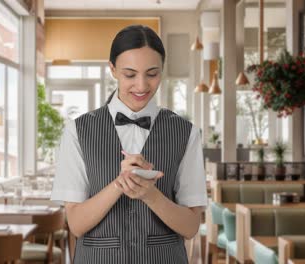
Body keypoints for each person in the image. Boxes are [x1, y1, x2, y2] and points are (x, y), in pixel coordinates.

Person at [51, 24, 207, 264]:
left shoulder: (187, 133)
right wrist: (118, 185)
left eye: (152, 74)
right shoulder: (76, 131)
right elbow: (77, 225)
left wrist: (151, 195)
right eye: (130, 74)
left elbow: (191, 227)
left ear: (162, 71)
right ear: (112, 69)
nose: (142, 86)